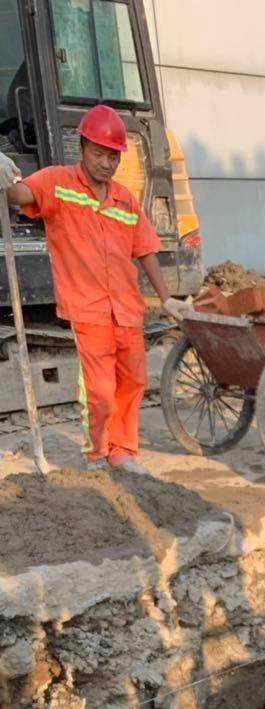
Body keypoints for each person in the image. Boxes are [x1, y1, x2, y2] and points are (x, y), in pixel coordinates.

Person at [0, 104, 186, 475]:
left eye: (112, 156)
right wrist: (3, 177)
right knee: (99, 389)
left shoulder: (124, 199)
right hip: (89, 309)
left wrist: (166, 298)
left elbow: (146, 248)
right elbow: (18, 196)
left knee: (133, 381)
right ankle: (97, 454)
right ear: (82, 148)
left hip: (127, 308)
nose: (105, 163)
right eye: (98, 153)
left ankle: (123, 451)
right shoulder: (58, 183)